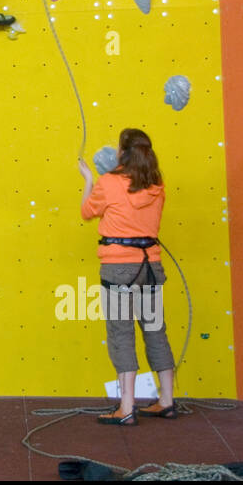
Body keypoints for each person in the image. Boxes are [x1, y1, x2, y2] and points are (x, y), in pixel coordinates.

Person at [77, 129, 176, 425]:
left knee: (121, 333)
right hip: (150, 267)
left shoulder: (108, 183)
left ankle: (127, 407)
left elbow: (86, 212)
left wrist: (88, 179)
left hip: (119, 268)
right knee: (155, 330)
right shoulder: (157, 184)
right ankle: (167, 401)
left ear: (123, 152)